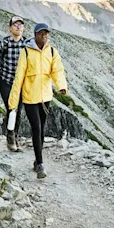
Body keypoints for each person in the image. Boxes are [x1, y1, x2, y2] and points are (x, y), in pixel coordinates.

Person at [7, 23, 68, 178]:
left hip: (45, 97)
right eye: (41, 34)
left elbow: (57, 71)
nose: (44, 36)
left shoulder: (52, 51)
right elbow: (19, 77)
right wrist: (13, 102)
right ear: (35, 35)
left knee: (41, 130)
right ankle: (40, 164)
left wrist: (61, 86)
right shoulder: (26, 52)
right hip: (30, 97)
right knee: (36, 128)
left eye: (46, 34)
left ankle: (36, 160)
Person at [0, 16, 30, 151]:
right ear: (10, 28)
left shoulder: (28, 44)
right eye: (15, 25)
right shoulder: (3, 43)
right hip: (6, 81)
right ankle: (10, 138)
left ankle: (14, 135)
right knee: (12, 109)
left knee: (19, 110)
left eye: (20, 25)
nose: (18, 27)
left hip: (21, 83)